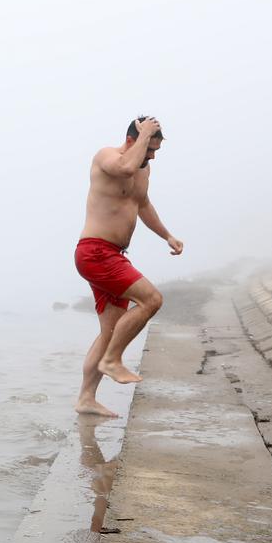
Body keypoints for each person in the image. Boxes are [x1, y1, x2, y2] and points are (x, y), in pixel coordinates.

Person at [74, 116, 184, 414]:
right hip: (95, 252)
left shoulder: (142, 171)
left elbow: (143, 205)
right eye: (150, 148)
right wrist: (146, 131)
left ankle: (86, 399)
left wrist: (167, 236)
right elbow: (124, 167)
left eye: (156, 151)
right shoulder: (108, 157)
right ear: (134, 140)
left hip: (113, 254)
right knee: (152, 299)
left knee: (109, 332)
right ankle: (112, 360)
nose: (152, 156)